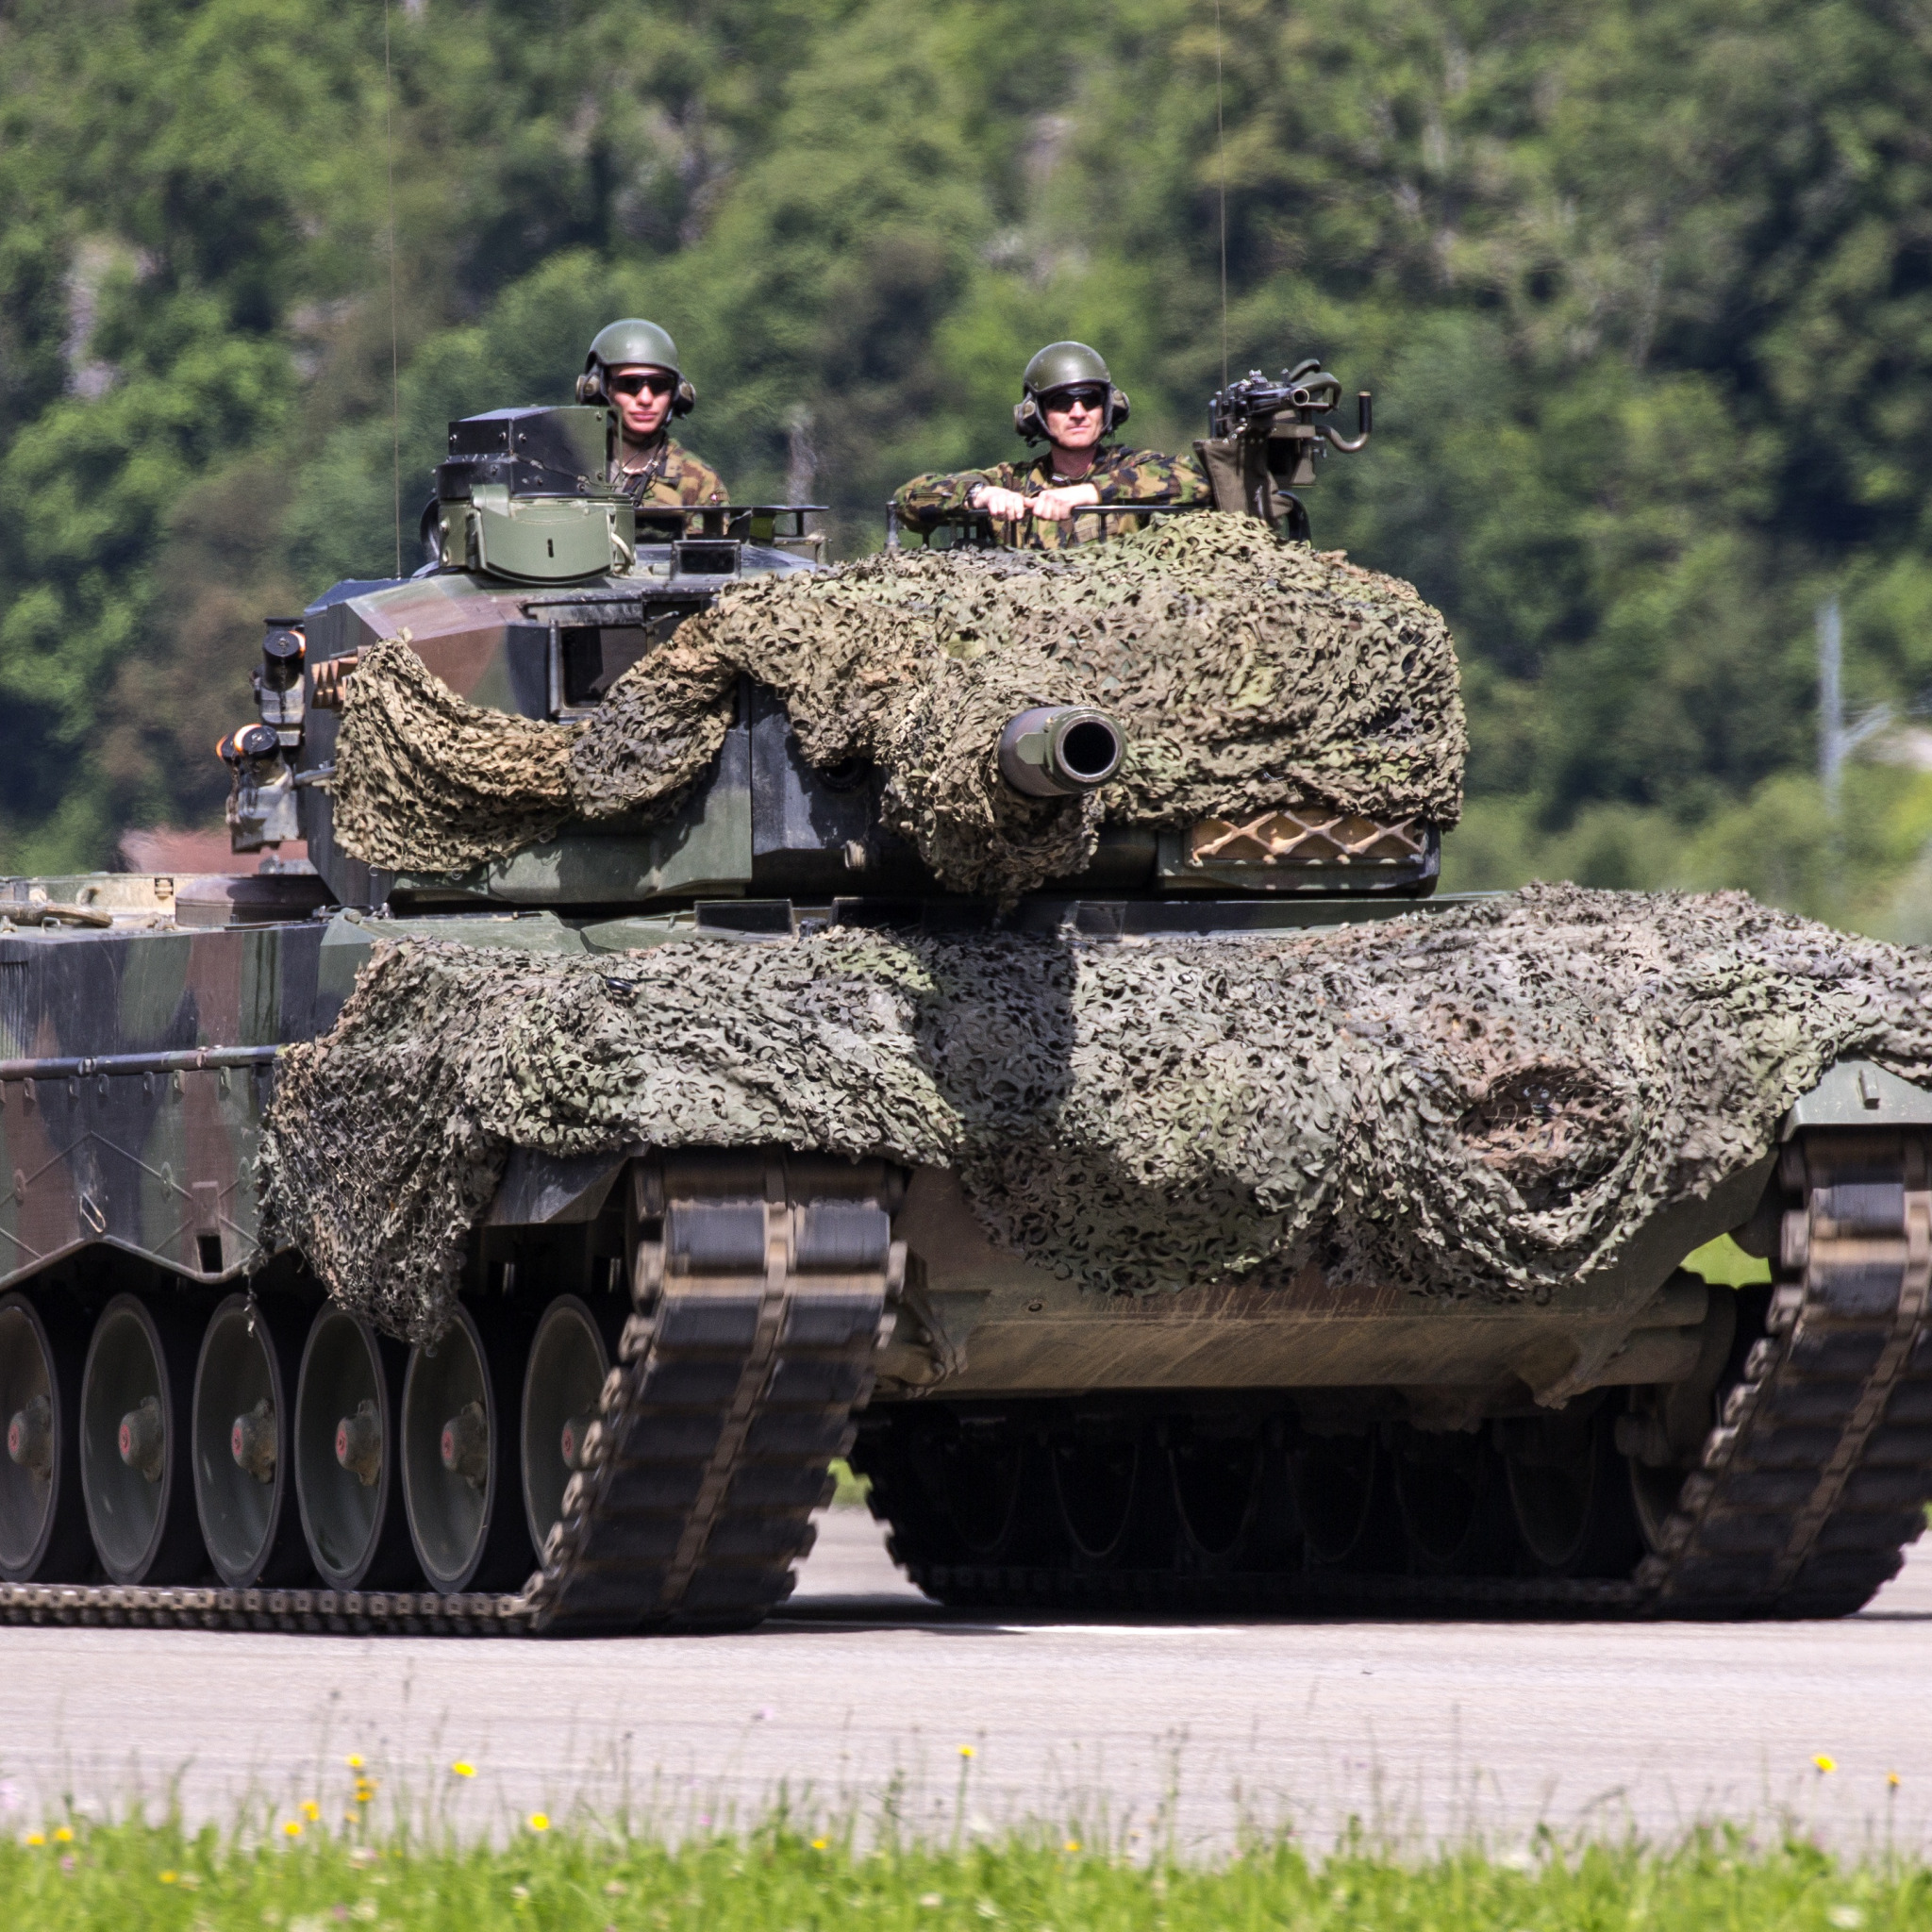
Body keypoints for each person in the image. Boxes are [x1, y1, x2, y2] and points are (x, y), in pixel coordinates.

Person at [892, 341, 1207, 549]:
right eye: (1062, 403)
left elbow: (1195, 480)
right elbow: (910, 497)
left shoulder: (1130, 470)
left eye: (1091, 400)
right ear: (1036, 413)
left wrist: (1090, 493)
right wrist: (980, 494)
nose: (1078, 413)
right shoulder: (1015, 482)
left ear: (1108, 406)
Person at [575, 319, 729, 511]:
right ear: (601, 388)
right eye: (630, 384)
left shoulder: (700, 482)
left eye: (659, 385)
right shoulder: (570, 469)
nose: (646, 399)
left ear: (677, 393)